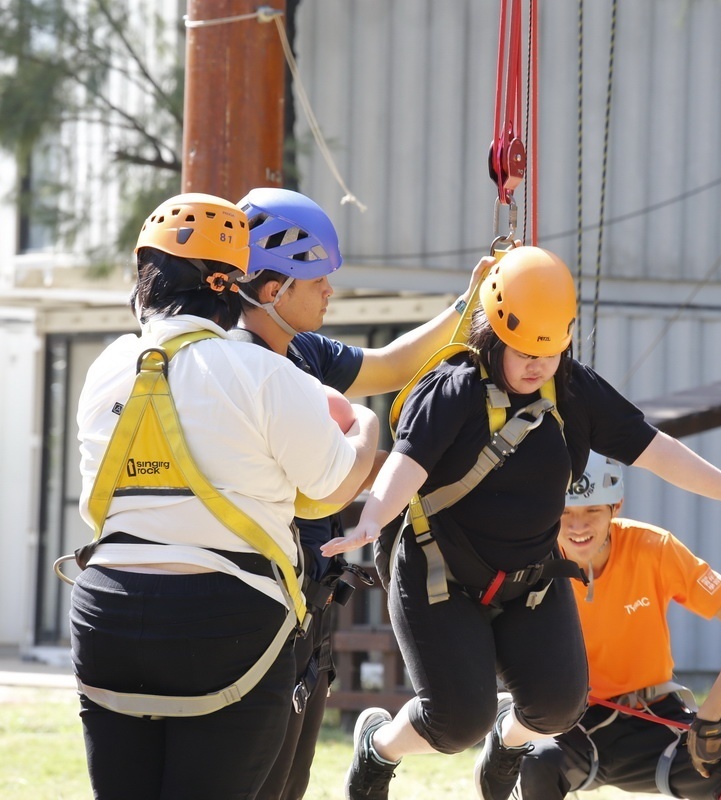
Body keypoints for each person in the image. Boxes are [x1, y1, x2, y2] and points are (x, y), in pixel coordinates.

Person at [318, 245, 721, 800]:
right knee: (455, 722)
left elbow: (658, 451)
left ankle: (507, 744)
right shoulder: (453, 388)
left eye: (551, 351)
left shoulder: (574, 389)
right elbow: (405, 464)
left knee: (560, 706)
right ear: (493, 330)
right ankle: (379, 748)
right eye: (523, 352)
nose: (538, 366)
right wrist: (371, 520)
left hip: (530, 578)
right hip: (439, 572)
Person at [70, 192, 380, 800]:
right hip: (225, 620)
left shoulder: (107, 366)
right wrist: (364, 428)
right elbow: (333, 486)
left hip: (106, 610)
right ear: (227, 283)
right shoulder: (265, 374)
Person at [231, 186, 493, 800]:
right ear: (273, 289)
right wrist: (385, 448)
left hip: (309, 601)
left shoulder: (298, 348)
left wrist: (470, 300)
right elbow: (321, 485)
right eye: (317, 277)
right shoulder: (240, 368)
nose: (330, 290)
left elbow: (393, 364)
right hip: (263, 598)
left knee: (288, 785)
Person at [516, 451, 721, 799]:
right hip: (569, 722)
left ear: (616, 506)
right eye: (565, 513)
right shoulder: (527, 560)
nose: (578, 527)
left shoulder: (655, 549)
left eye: (592, 510)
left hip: (655, 717)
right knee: (534, 763)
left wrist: (710, 720)